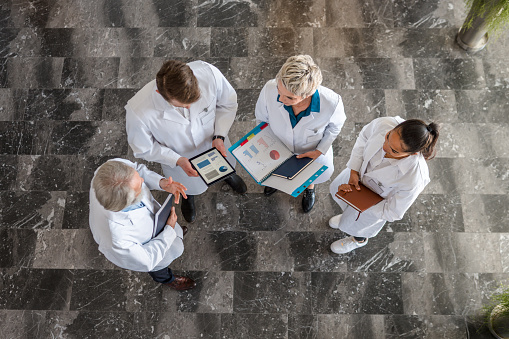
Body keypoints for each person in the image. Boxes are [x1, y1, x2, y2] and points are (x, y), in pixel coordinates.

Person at [126, 60, 247, 223]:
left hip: (215, 143)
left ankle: (227, 176)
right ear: (160, 94)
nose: (190, 108)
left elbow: (228, 104)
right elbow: (143, 148)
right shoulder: (138, 111)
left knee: (225, 166)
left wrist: (219, 135)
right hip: (180, 159)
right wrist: (176, 160)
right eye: (182, 105)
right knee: (189, 184)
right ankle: (188, 196)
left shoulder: (209, 73)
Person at [328, 116, 440, 254]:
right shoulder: (385, 123)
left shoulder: (415, 177)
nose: (384, 146)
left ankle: (358, 240)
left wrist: (361, 202)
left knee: (358, 227)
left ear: (413, 153)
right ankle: (346, 216)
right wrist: (354, 170)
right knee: (343, 203)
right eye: (387, 137)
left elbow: (393, 212)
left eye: (394, 151)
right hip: (356, 178)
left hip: (373, 205)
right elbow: (364, 137)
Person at [255, 55, 346, 212]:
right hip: (278, 145)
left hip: (310, 151)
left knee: (310, 174)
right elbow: (262, 119)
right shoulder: (269, 89)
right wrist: (264, 143)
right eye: (279, 90)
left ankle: (309, 187)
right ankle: (277, 183)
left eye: (290, 97)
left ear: (307, 94)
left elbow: (335, 127)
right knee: (277, 169)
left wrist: (320, 150)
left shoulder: (332, 103)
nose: (281, 99)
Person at [89, 158, 196, 290]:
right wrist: (168, 230)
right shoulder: (118, 238)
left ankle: (176, 235)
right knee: (158, 268)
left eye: (137, 177)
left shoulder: (108, 170)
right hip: (150, 250)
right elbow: (147, 260)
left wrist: (161, 183)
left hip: (156, 222)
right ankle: (168, 280)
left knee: (174, 235)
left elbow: (137, 169)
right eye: (139, 187)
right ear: (128, 202)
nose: (142, 180)